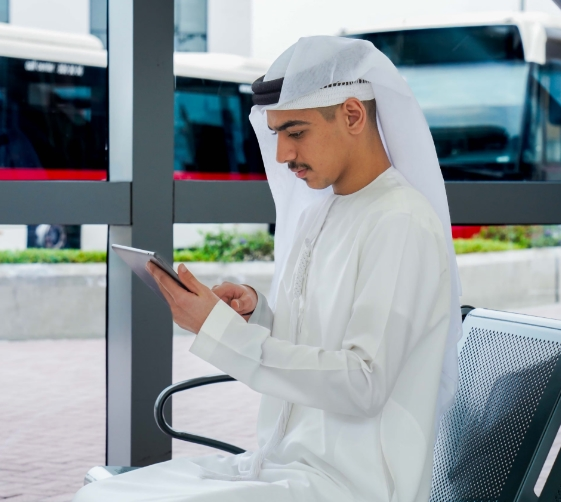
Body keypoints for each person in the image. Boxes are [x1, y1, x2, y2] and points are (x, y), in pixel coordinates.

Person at [74, 35, 462, 502]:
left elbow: (363, 383)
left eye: (296, 132)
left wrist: (218, 330)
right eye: (277, 134)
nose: (282, 155)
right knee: (107, 493)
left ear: (353, 115)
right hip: (281, 465)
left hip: (350, 486)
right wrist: (255, 314)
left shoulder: (400, 221)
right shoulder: (324, 212)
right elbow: (318, 342)